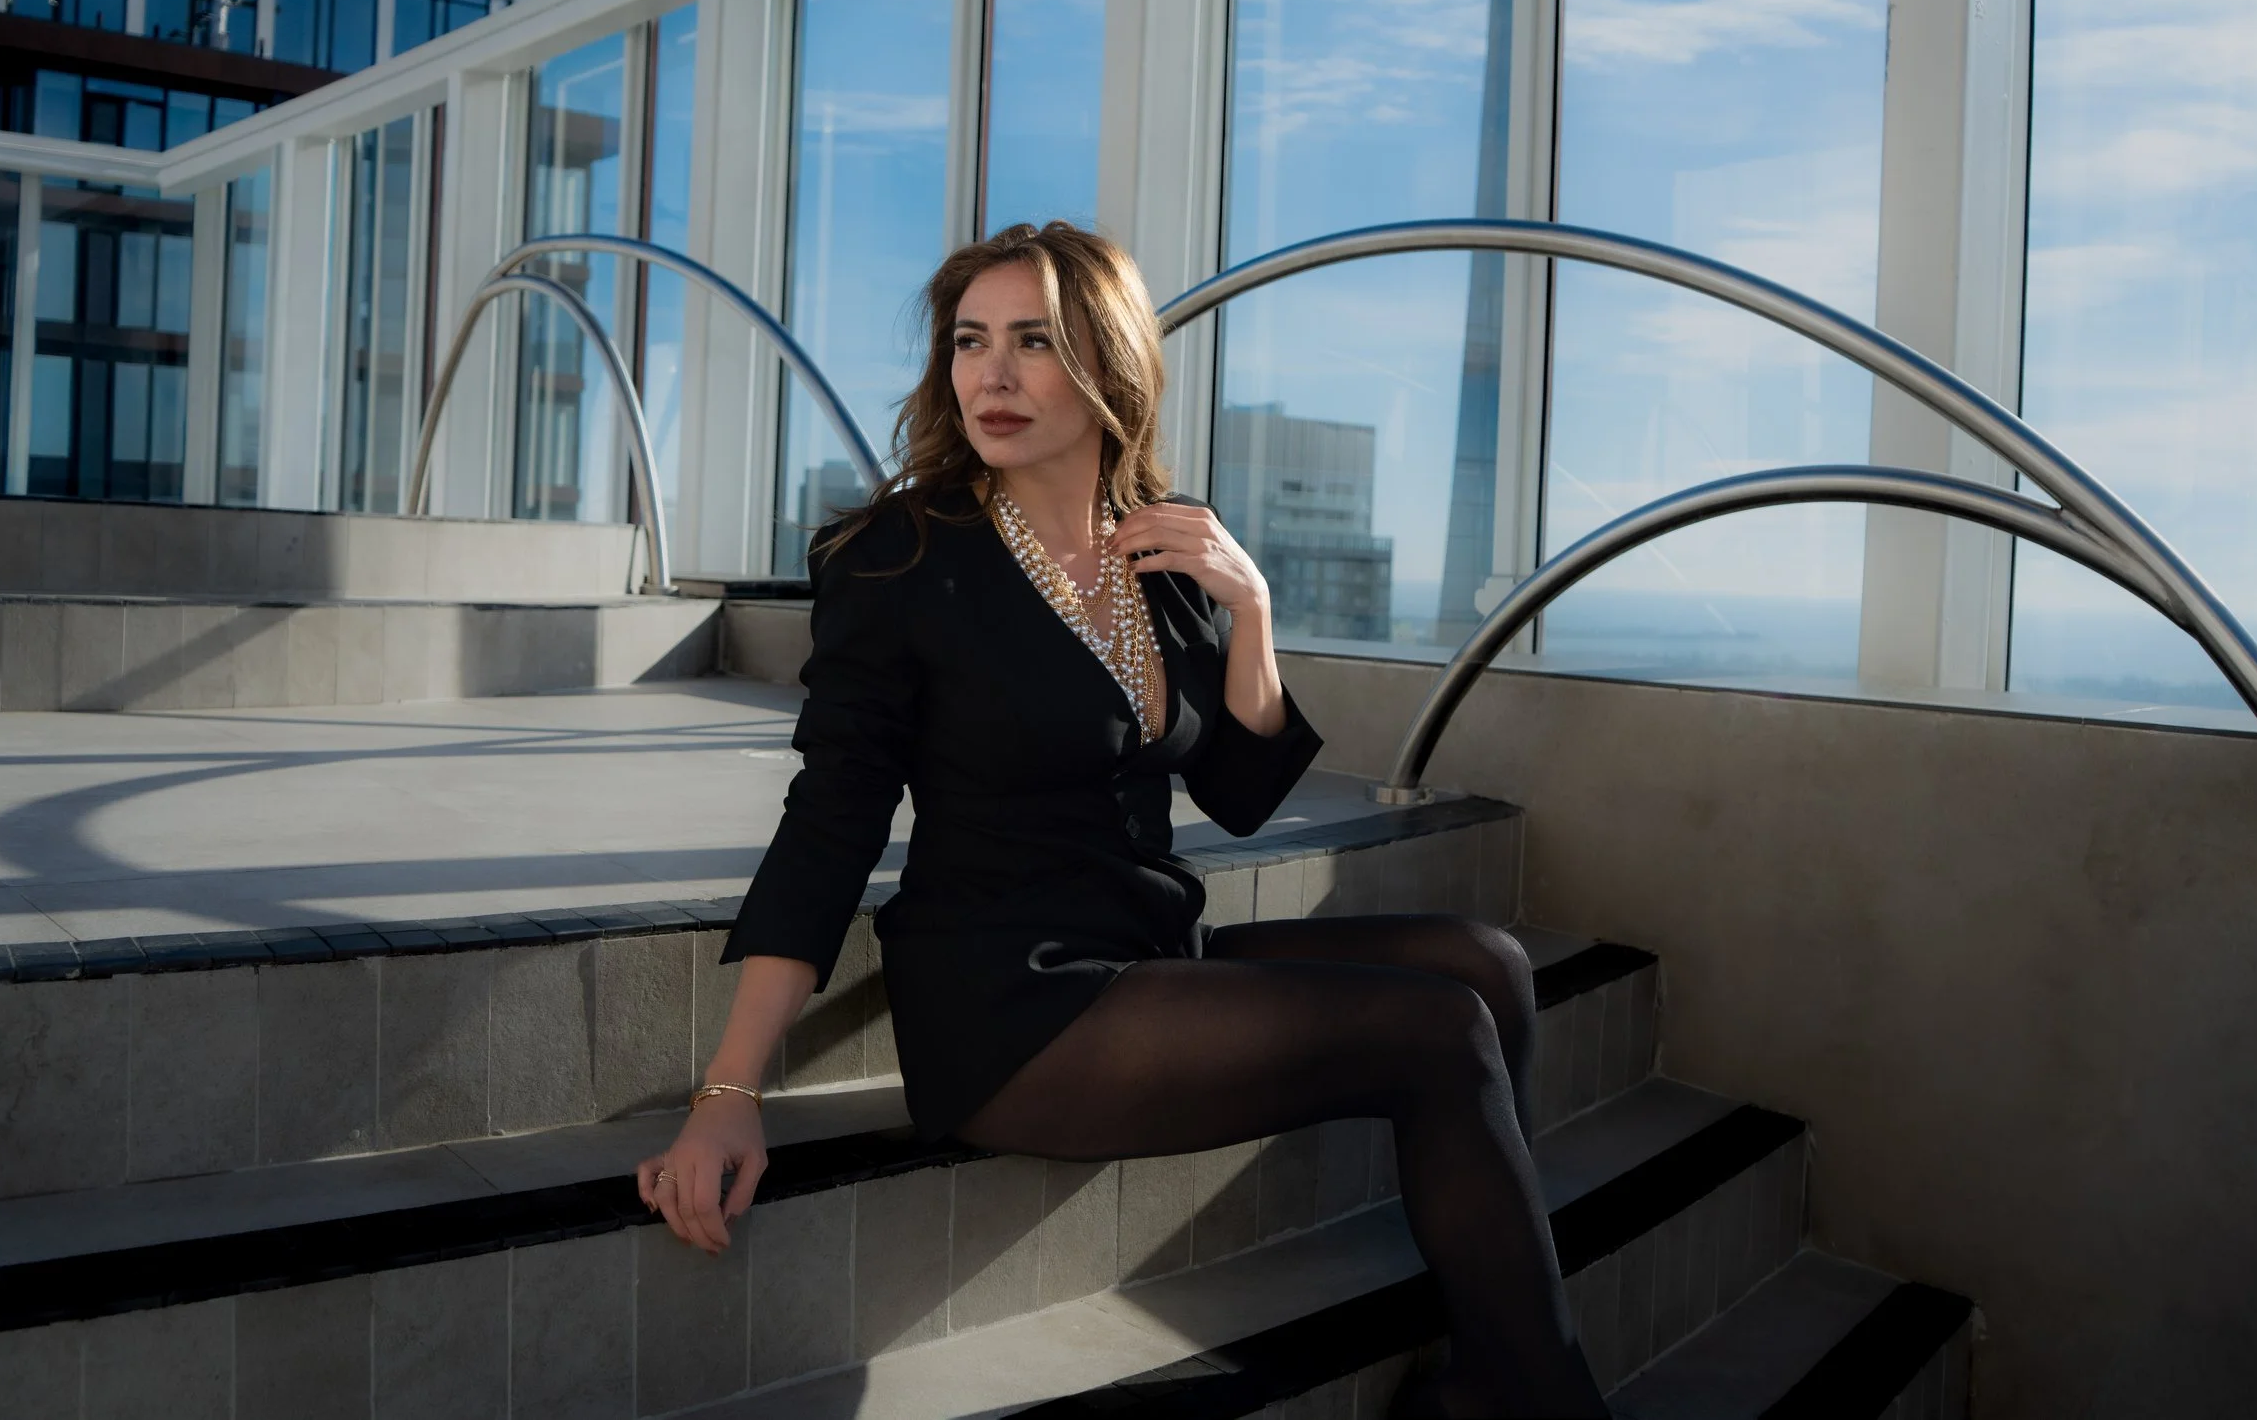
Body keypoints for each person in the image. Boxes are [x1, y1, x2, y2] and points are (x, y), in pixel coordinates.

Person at [637, 222, 1607, 1418]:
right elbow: (828, 823)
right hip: (1012, 1001)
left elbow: (1241, 799)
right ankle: (1536, 1393)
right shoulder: (900, 557)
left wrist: (1249, 609)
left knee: (1489, 964)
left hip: (1145, 951)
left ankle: (1488, 1328)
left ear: (1109, 362)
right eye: (970, 341)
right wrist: (731, 1090)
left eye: (1033, 341)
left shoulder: (1160, 539)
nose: (990, 375)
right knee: (1436, 1030)